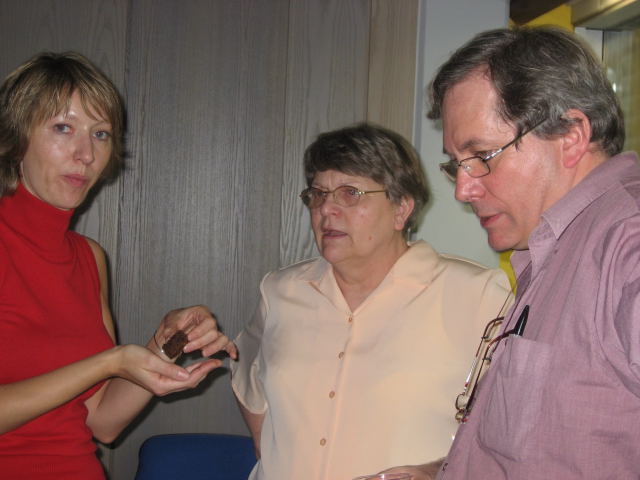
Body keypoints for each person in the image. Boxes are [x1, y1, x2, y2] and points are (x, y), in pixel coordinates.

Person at [0, 51, 237, 479]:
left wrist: (165, 346)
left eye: (101, 134)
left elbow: (102, 421)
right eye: (63, 128)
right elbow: (101, 369)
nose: (86, 154)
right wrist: (108, 362)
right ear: (16, 138)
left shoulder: (89, 258)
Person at [231, 123, 512, 480]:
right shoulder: (280, 292)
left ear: (401, 209)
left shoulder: (479, 296)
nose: (327, 209)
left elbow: (515, 435)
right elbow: (246, 380)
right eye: (318, 194)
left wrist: (436, 472)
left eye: (350, 193)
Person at [425, 26, 639, 479]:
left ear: (571, 137)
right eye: (456, 164)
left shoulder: (627, 243)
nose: (463, 190)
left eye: (482, 156)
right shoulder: (555, 248)